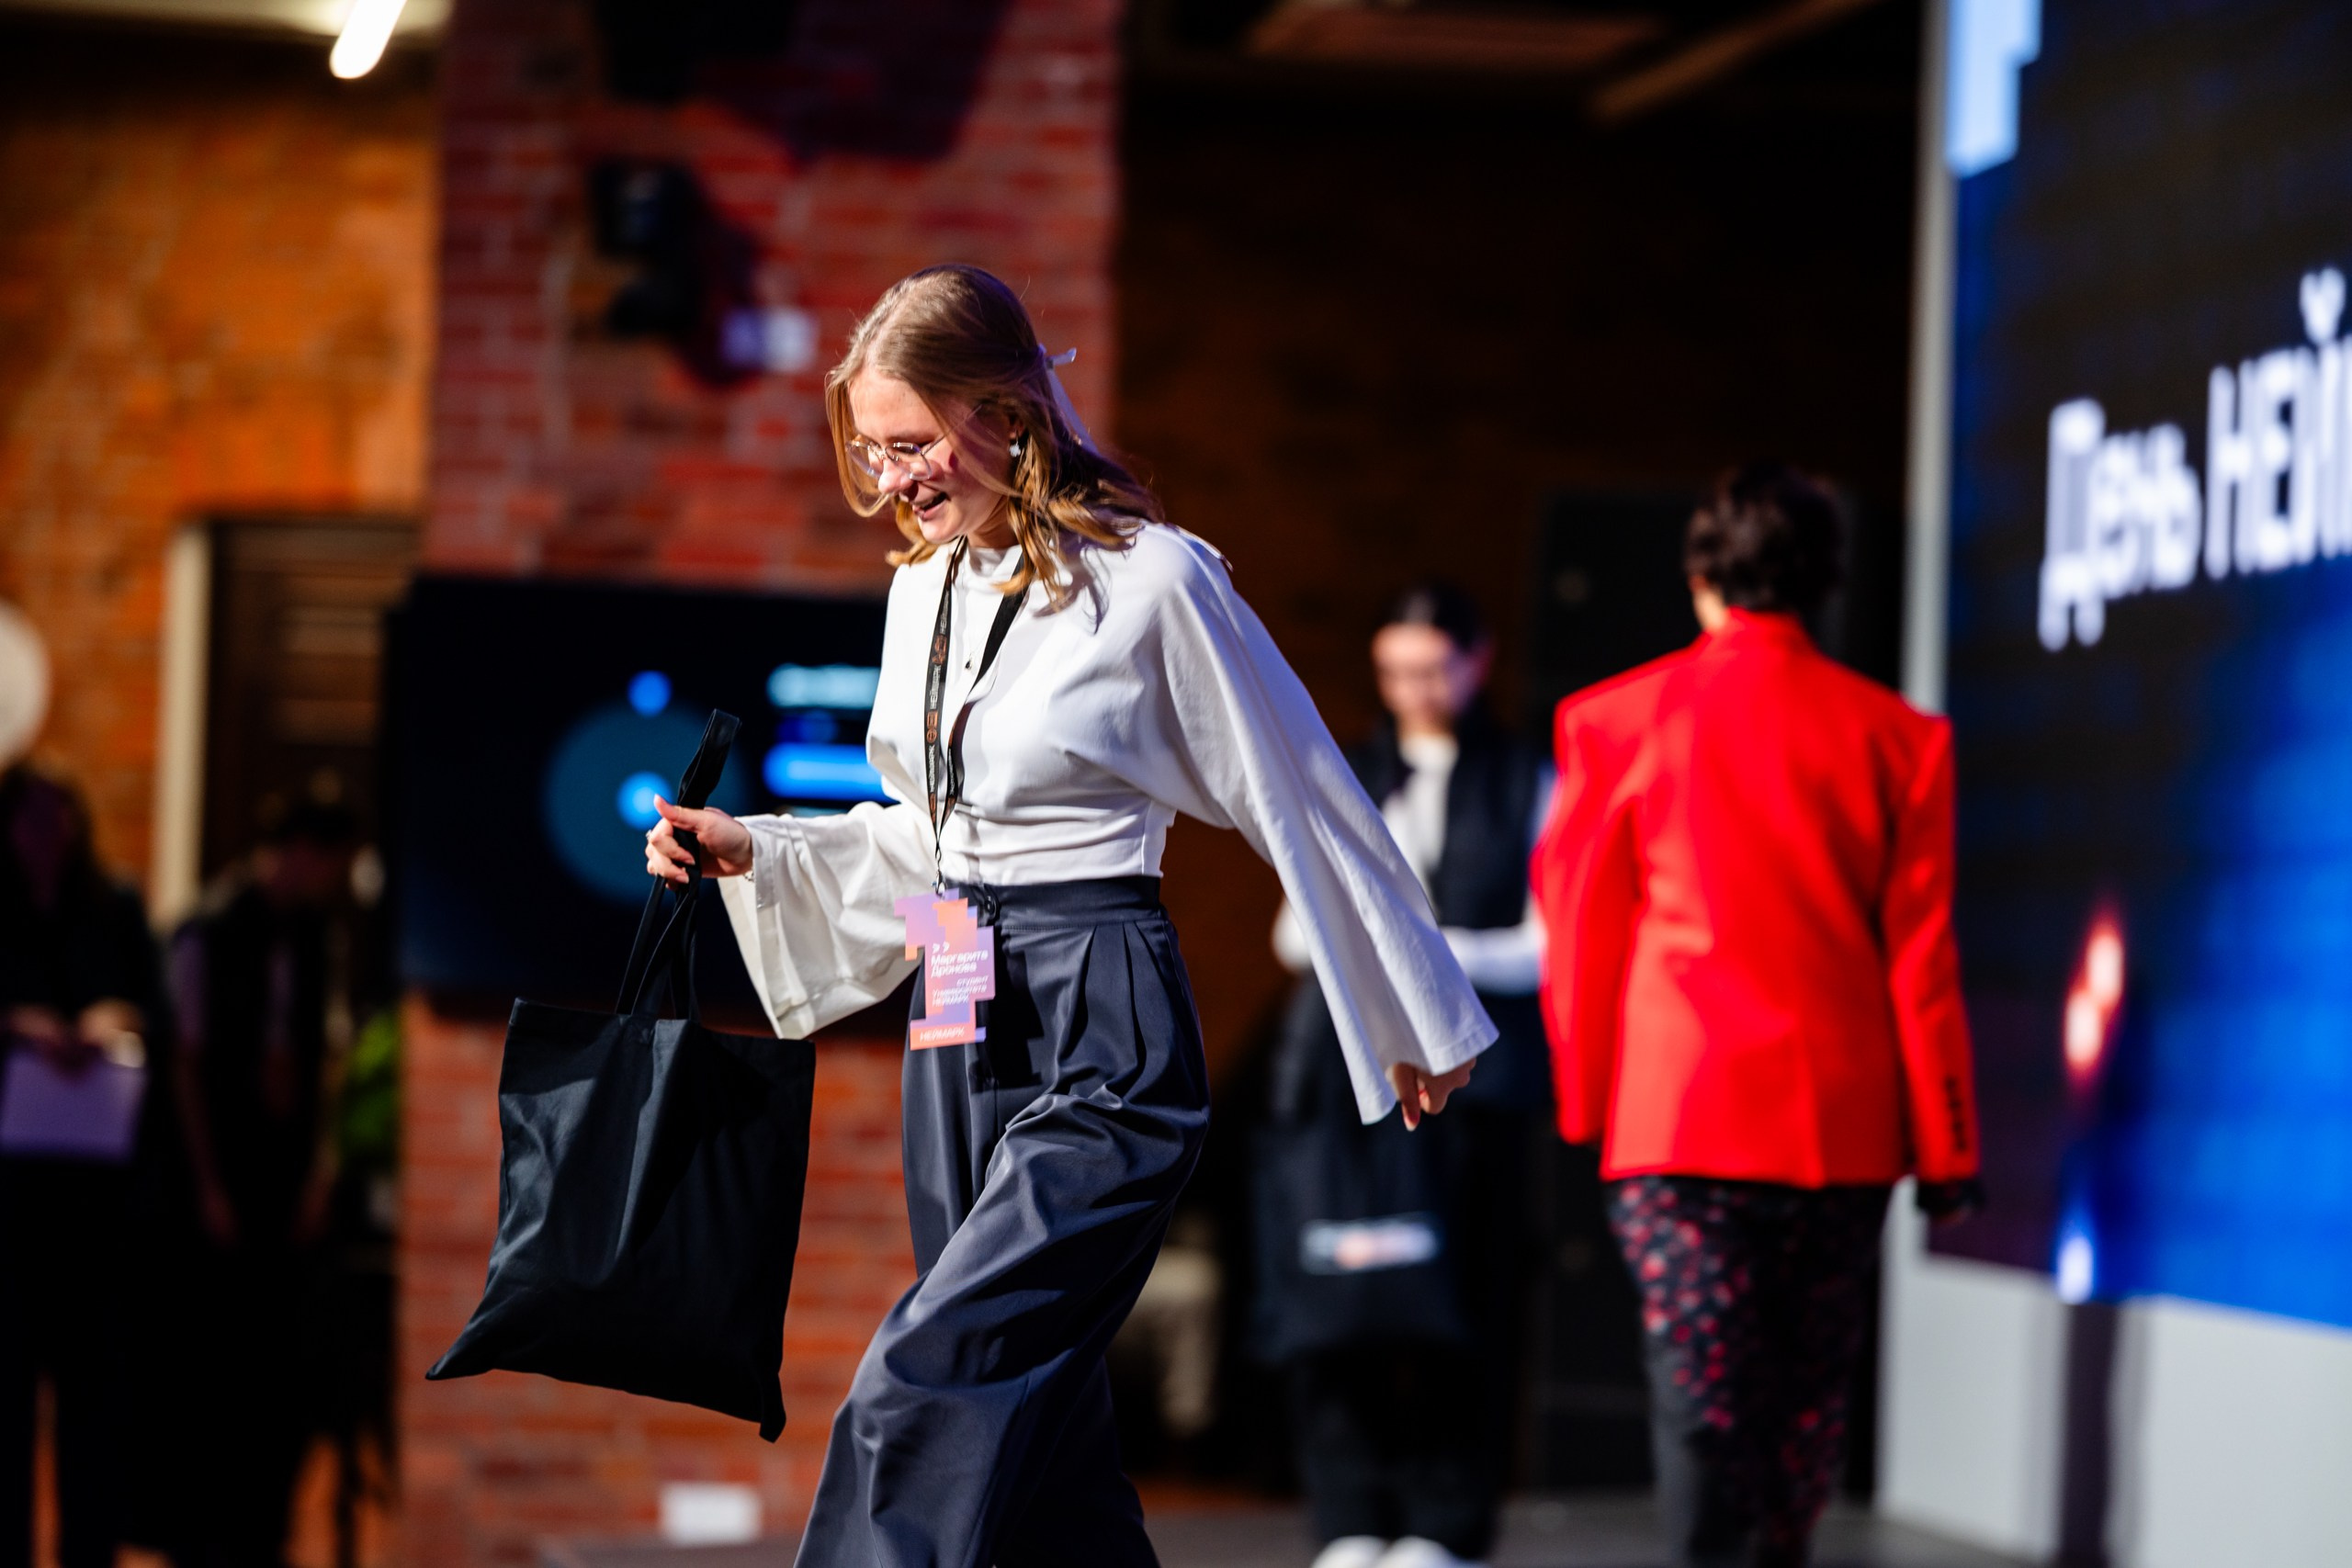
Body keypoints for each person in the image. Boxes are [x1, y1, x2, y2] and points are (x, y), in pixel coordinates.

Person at [644, 263, 1493, 1568]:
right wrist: (754, 844)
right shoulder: (921, 590)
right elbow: (929, 834)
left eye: (914, 443)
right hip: (955, 995)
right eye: (871, 451)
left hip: (1101, 1017)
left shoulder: (1153, 581)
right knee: (1042, 1430)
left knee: (928, 1374)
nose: (893, 477)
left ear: (1007, 412)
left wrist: (1410, 1006)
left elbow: (1303, 791)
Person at [1531, 462, 1983, 1568]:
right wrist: (1949, 1141)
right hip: (1841, 1129)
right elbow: (1918, 958)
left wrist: (1587, 1106)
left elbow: (1581, 931)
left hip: (1676, 1122)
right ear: (1827, 582)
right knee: (1801, 1407)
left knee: (1705, 1401)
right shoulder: (1898, 739)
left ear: (1699, 577)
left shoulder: (1615, 721)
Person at [1257, 583, 1550, 1568]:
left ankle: (1444, 1524)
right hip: (1342, 1083)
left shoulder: (1528, 778)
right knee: (1338, 1295)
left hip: (1478, 1087)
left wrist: (1413, 949)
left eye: (1431, 668)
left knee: (1463, 1298)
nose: (1412, 689)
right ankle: (1348, 1517)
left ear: (1478, 660)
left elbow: (1547, 950)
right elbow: (1295, 932)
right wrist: (1406, 950)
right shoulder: (1346, 767)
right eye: (1394, 672)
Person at [165, 795, 359, 1568]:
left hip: (285, 1168)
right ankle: (204, 1531)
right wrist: (205, 1182)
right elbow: (185, 1060)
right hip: (224, 1163)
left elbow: (329, 1056)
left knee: (283, 1362)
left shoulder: (317, 936)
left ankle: (264, 1528)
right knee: (213, 1361)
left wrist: (321, 1167)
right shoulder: (211, 928)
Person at [0, 764, 165, 1568]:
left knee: (95, 1404)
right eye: (31, 819)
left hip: (98, 1194)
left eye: (59, 819)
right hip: (10, 1196)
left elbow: (159, 1017)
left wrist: (112, 1018)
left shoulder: (114, 909)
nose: (47, 835)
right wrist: (18, 1027)